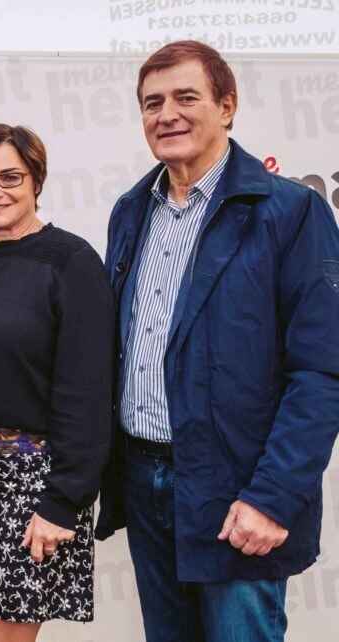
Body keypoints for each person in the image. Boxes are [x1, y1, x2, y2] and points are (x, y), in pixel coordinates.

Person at [95, 40, 339, 642]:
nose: (167, 115)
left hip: (240, 491)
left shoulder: (292, 212)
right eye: (153, 103)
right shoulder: (131, 211)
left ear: (227, 107)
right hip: (145, 481)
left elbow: (323, 370)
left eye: (186, 98)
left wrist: (273, 497)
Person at [0, 123, 114, 641]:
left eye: (9, 177)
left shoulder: (71, 261)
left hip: (30, 483)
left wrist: (63, 500)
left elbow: (89, 392)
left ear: (37, 179)